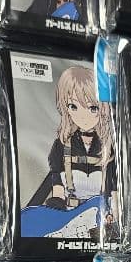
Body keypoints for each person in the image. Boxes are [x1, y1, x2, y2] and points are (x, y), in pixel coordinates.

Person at [22, 66, 116, 240]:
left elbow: (115, 189)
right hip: (68, 219)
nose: (83, 116)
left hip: (101, 219)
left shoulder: (109, 147)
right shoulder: (62, 145)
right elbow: (55, 185)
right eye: (74, 106)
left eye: (92, 108)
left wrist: (114, 214)